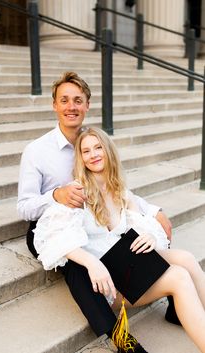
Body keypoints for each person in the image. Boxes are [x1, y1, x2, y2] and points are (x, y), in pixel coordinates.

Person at [17, 71, 173, 352]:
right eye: (64, 100)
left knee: (152, 230)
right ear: (54, 105)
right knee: (78, 262)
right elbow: (24, 207)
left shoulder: (93, 142)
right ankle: (123, 341)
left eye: (78, 100)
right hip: (52, 225)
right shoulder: (36, 150)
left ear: (87, 105)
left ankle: (175, 300)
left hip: (94, 218)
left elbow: (114, 186)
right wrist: (56, 195)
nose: (71, 106)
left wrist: (153, 212)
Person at [33, 127, 205, 353]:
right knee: (179, 277)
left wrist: (151, 236)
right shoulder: (78, 191)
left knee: (186, 258)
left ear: (107, 150)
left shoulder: (119, 188)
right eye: (86, 151)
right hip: (110, 283)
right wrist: (91, 263)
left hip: (128, 264)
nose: (93, 154)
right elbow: (51, 236)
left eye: (98, 147)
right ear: (81, 158)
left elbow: (143, 224)